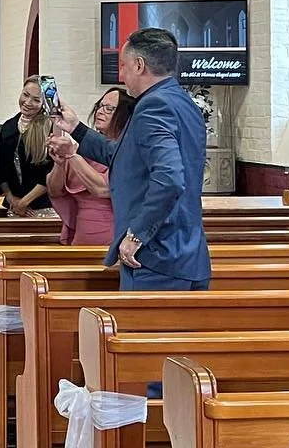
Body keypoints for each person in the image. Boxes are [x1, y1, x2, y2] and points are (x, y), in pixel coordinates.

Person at [49, 28, 210, 290]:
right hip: (185, 254)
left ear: (139, 65)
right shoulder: (183, 102)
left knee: (145, 332)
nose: (120, 75)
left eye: (123, 66)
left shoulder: (153, 106)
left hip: (155, 257)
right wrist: (77, 127)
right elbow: (122, 156)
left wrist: (137, 235)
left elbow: (169, 178)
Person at [46, 87, 133, 244]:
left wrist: (72, 155)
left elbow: (103, 189)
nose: (100, 112)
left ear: (124, 115)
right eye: (100, 106)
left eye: (109, 108)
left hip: (111, 232)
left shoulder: (127, 149)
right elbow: (54, 190)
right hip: (82, 230)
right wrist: (59, 164)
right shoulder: (84, 148)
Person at [0, 77, 55, 215]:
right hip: (14, 205)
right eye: (25, 95)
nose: (28, 102)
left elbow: (50, 172)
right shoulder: (8, 127)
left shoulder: (50, 129)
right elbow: (1, 169)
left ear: (44, 103)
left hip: (43, 207)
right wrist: (11, 199)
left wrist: (25, 202)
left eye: (36, 100)